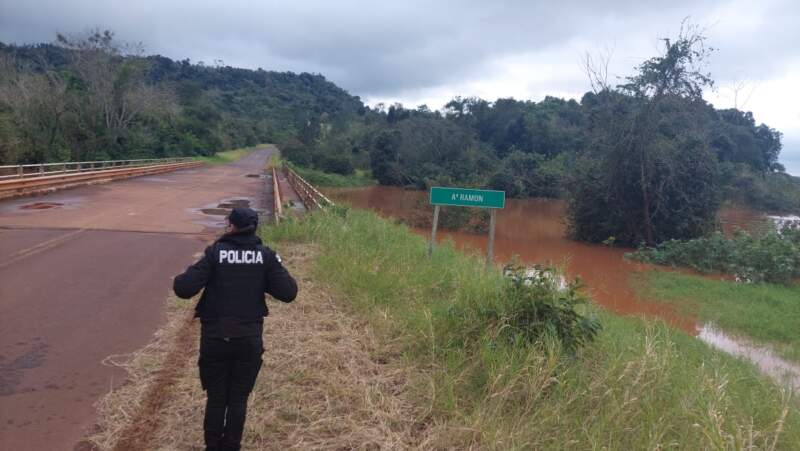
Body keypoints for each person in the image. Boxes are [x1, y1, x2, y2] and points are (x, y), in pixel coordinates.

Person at [173, 206, 297, 451]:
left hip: (215, 337)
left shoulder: (215, 253)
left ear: (231, 226)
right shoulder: (265, 255)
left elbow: (183, 288)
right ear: (254, 227)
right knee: (238, 398)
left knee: (217, 397)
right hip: (248, 338)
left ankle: (212, 446)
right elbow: (288, 293)